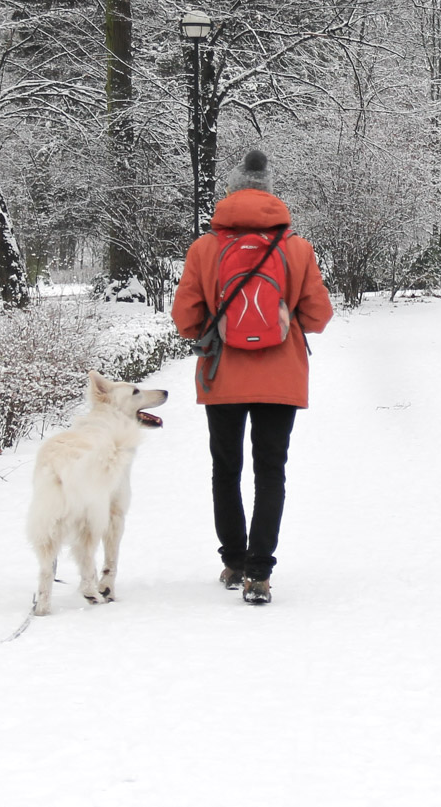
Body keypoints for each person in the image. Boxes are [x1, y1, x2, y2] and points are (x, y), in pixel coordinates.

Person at [172, 149, 333, 605]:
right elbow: (319, 315)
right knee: (270, 471)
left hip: (222, 376)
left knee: (226, 470)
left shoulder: (205, 249)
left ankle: (233, 561)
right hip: (281, 378)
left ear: (230, 194)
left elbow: (185, 318)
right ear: (271, 196)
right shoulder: (297, 249)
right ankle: (259, 572)